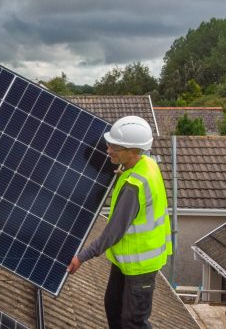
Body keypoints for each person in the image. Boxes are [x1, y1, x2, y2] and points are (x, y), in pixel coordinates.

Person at [66, 116, 172, 329]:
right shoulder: (145, 163)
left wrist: (82, 257)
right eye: (110, 143)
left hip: (141, 263)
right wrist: (122, 172)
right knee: (112, 306)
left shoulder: (134, 187)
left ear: (133, 150)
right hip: (125, 259)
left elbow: (112, 232)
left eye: (116, 146)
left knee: (133, 321)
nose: (109, 150)